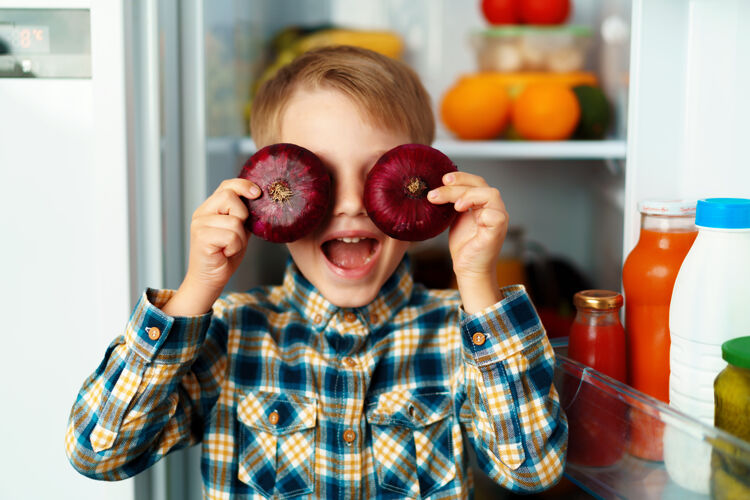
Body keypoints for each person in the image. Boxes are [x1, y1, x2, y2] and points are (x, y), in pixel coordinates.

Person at [65, 45, 567, 499]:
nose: (349, 205)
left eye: (378, 174)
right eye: (317, 176)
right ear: (261, 192)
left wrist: (478, 281)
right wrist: (196, 290)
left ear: (428, 184)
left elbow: (532, 468)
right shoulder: (229, 337)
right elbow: (100, 451)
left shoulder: (460, 340)